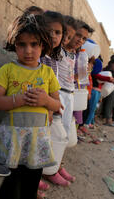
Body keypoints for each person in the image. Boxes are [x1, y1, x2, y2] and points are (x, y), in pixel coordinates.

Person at [0, 14, 61, 199]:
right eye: (22, 44)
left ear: (43, 45)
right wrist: (19, 100)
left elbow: (57, 104)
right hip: (12, 141)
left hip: (37, 142)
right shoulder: (7, 70)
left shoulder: (47, 73)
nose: (28, 50)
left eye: (34, 44)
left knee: (30, 185)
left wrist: (46, 101)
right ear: (14, 44)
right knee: (8, 187)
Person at [40, 11, 75, 189]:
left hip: (53, 104)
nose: (53, 36)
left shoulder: (55, 57)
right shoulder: (37, 55)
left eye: (58, 32)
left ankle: (52, 169)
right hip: (39, 107)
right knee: (38, 141)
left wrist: (53, 107)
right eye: (49, 31)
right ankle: (40, 173)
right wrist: (48, 108)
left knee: (55, 137)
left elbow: (54, 85)